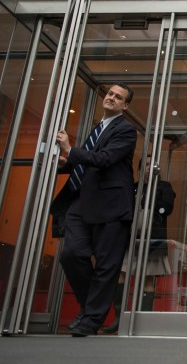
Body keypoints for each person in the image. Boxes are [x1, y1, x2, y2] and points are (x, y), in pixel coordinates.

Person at [49, 83, 137, 337]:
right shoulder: (97, 128)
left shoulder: (126, 130)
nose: (111, 98)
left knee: (106, 267)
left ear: (125, 106)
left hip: (111, 207)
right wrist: (64, 162)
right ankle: (92, 308)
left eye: (118, 97)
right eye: (110, 93)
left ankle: (90, 321)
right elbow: (85, 162)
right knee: (71, 254)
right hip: (81, 202)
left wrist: (69, 149)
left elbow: (105, 160)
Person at [101, 170, 176, 334]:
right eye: (146, 165)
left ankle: (144, 320)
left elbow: (166, 208)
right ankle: (119, 318)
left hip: (152, 237)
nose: (150, 168)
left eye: (152, 164)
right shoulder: (133, 187)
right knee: (121, 272)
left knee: (148, 278)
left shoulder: (164, 187)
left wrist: (149, 201)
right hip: (129, 236)